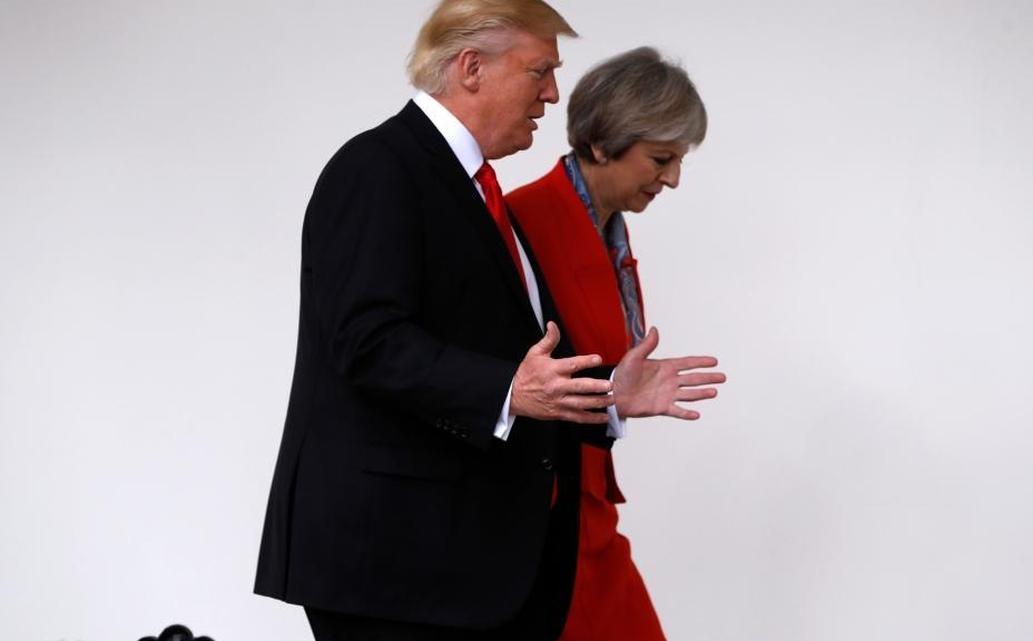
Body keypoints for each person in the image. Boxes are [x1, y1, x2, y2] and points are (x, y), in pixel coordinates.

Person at [252, 3, 723, 639]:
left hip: (455, 564)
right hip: (389, 564)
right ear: (472, 68)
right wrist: (507, 391)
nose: (554, 95)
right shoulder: (378, 168)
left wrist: (610, 393)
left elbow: (501, 353)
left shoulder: (478, 190)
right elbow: (366, 343)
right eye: (540, 72)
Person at [507, 47, 719, 641]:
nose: (672, 178)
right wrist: (609, 399)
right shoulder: (523, 222)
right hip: (540, 524)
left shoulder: (608, 231)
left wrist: (616, 402)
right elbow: (512, 383)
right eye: (660, 158)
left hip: (588, 509)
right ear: (601, 144)